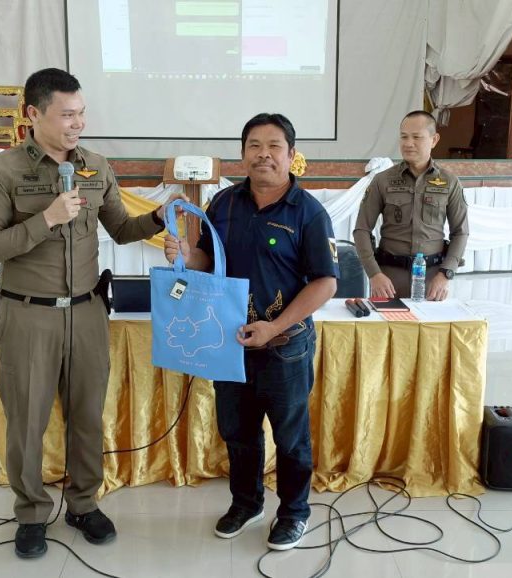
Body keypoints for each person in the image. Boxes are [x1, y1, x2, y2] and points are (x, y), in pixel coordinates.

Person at [0, 68, 183, 559]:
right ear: (33, 114)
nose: (78, 124)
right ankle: (31, 513)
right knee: (26, 421)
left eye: (81, 113)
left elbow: (121, 229)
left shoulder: (96, 167)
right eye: (67, 115)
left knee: (87, 415)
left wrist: (157, 217)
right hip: (28, 316)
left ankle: (84, 504)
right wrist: (46, 219)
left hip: (87, 312)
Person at [163, 113, 339, 550]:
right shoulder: (223, 204)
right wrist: (184, 254)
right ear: (242, 155)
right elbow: (206, 259)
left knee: (291, 438)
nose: (263, 154)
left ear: (291, 155)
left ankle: (294, 512)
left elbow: (325, 282)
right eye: (254, 146)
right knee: (238, 433)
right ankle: (247, 503)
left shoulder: (309, 213)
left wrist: (275, 325)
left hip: (285, 346)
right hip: (230, 342)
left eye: (274, 146)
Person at [352, 110, 469, 301]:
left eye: (416, 137)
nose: (408, 143)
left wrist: (445, 274)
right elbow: (361, 230)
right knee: (387, 321)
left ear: (434, 140)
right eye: (404, 137)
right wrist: (374, 274)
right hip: (389, 280)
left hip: (432, 280)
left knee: (429, 321)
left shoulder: (449, 182)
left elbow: (461, 232)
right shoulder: (382, 180)